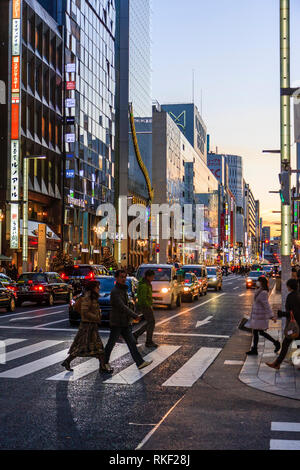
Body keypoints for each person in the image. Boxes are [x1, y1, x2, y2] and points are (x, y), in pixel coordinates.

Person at [104, 270, 153, 371]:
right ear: (116, 278)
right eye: (121, 277)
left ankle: (140, 362)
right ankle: (104, 363)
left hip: (124, 322)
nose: (124, 279)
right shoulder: (115, 291)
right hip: (117, 322)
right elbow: (122, 307)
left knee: (131, 343)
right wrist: (135, 315)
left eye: (125, 277)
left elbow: (126, 306)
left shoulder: (122, 290)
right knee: (111, 344)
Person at [61, 280, 112, 374]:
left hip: (91, 325)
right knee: (85, 346)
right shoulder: (87, 297)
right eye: (97, 287)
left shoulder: (92, 296)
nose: (99, 288)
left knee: (96, 347)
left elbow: (78, 308)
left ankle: (102, 366)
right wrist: (95, 317)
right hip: (87, 326)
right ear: (93, 288)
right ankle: (102, 367)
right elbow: (84, 311)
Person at [266, 279, 300, 370]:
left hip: (294, 325)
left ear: (290, 286)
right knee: (297, 343)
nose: (287, 287)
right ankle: (280, 363)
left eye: (287, 285)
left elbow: (294, 313)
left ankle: (277, 363)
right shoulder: (298, 294)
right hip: (298, 324)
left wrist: (282, 314)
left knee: (286, 344)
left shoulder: (291, 296)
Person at [246, 276, 280, 356]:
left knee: (259, 332)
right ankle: (255, 349)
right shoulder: (259, 290)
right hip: (257, 316)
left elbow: (266, 305)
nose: (257, 282)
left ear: (262, 283)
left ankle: (275, 343)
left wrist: (272, 316)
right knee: (257, 332)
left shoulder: (263, 292)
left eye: (258, 281)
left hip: (260, 316)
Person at [134, 269, 158, 348]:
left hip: (146, 305)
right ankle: (148, 341)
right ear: (148, 276)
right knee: (151, 322)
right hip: (145, 306)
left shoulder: (146, 283)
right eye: (152, 277)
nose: (153, 278)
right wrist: (148, 305)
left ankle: (136, 335)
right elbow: (143, 298)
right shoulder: (144, 285)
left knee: (150, 322)